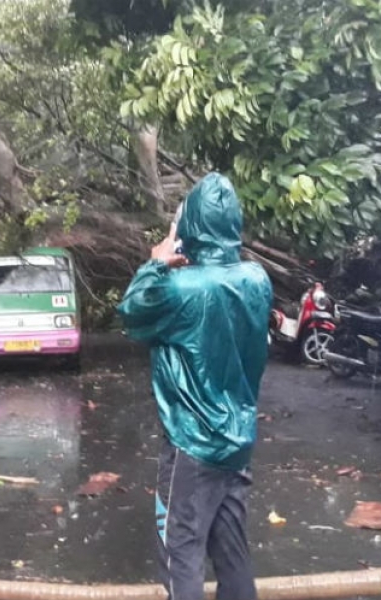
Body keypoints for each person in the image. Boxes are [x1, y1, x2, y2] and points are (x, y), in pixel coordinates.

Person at [118, 173, 272, 600]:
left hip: (193, 444)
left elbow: (132, 313)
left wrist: (157, 261)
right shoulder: (257, 279)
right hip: (236, 439)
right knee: (232, 552)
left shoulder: (179, 289)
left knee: (180, 555)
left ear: (188, 228)